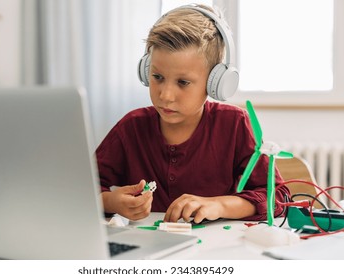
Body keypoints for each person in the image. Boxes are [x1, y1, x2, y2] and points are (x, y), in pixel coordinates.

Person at [96, 4, 289, 223]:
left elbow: (277, 197)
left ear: (215, 82)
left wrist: (219, 204)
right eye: (157, 77)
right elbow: (77, 186)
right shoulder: (131, 128)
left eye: (183, 82)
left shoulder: (234, 125)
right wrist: (110, 201)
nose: (166, 95)